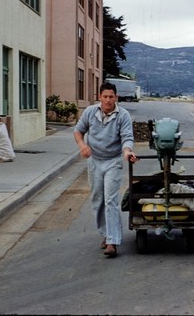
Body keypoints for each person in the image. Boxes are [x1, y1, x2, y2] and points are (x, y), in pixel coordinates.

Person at [74, 82, 137, 258]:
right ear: (100, 97)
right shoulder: (90, 112)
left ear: (116, 98)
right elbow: (78, 131)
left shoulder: (123, 115)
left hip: (113, 161)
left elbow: (127, 137)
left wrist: (127, 151)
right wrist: (82, 145)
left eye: (111, 97)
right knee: (97, 199)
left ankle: (112, 241)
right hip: (94, 160)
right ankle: (105, 233)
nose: (108, 100)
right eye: (105, 97)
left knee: (110, 199)